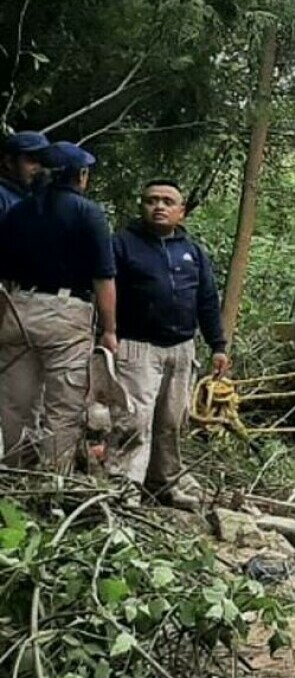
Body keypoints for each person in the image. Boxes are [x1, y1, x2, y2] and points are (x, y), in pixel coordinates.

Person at [107, 179, 227, 505]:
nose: (159, 206)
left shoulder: (192, 252)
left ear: (181, 211)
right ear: (142, 206)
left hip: (181, 348)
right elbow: (105, 292)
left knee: (172, 421)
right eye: (151, 200)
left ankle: (163, 483)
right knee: (134, 419)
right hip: (136, 346)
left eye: (167, 201)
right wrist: (105, 334)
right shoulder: (122, 244)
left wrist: (218, 345)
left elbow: (206, 300)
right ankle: (123, 489)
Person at [0, 141, 116, 473]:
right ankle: (52, 479)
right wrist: (109, 330)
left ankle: (13, 474)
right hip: (65, 314)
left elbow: (3, 276)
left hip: (18, 308)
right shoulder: (88, 213)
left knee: (14, 403)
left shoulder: (17, 212)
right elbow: (103, 278)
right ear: (81, 175)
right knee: (63, 405)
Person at [0, 131, 49, 216]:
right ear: (9, 162)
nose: (39, 168)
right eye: (32, 160)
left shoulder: (32, 194)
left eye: (43, 161)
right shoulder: (2, 198)